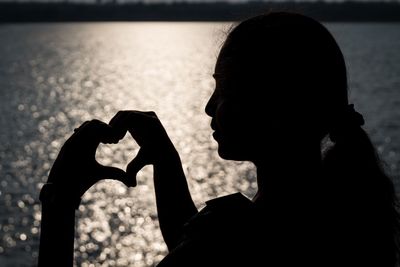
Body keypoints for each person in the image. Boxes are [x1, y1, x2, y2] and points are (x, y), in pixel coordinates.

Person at [38, 12, 400, 267]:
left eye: (225, 89)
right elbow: (194, 240)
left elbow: (207, 248)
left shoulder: (232, 236)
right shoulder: (349, 216)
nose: (210, 107)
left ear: (274, 107)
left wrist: (60, 200)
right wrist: (166, 160)